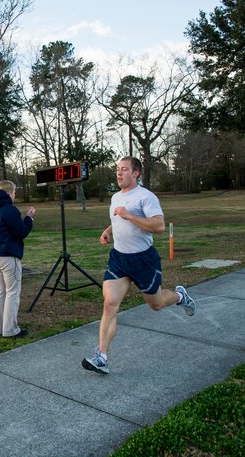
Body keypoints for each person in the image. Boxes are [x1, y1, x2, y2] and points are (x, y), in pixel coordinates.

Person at [82, 157, 195, 374]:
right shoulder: (116, 197)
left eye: (124, 169)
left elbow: (159, 226)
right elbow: (118, 219)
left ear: (136, 173)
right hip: (119, 259)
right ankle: (102, 357)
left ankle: (180, 296)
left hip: (143, 260)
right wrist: (108, 230)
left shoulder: (146, 197)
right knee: (109, 305)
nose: (119, 173)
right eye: (117, 169)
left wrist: (129, 215)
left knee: (157, 304)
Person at [0, 180, 36, 338]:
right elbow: (21, 232)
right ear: (8, 193)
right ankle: (10, 330)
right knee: (12, 292)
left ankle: (0, 328)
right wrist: (29, 218)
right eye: (14, 193)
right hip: (7, 256)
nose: (14, 195)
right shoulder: (9, 210)